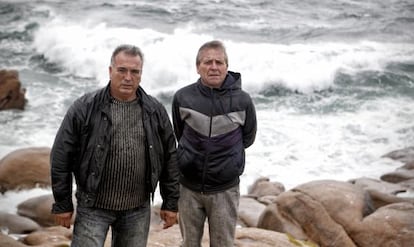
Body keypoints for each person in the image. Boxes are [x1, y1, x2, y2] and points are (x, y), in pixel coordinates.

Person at [50, 44, 179, 247]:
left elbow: (170, 157)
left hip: (138, 209)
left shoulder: (155, 110)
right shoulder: (84, 107)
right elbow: (61, 157)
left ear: (141, 74)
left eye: (134, 71)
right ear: (110, 71)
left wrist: (171, 202)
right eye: (122, 70)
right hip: (93, 207)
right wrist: (62, 204)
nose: (128, 77)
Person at [172, 40, 257, 247]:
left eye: (219, 62)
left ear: (227, 66)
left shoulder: (242, 101)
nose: (213, 67)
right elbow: (179, 133)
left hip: (224, 189)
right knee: (189, 243)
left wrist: (227, 162)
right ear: (197, 67)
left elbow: (248, 137)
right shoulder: (183, 97)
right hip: (189, 187)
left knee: (223, 244)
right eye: (207, 62)